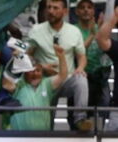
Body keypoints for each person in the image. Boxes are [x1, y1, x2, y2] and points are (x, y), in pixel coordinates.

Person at [27, 0, 92, 131]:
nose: (51, 11)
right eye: (49, 7)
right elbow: (26, 56)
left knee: (81, 79)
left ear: (65, 11)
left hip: (67, 78)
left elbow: (82, 56)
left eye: (56, 8)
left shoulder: (74, 31)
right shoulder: (36, 30)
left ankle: (80, 119)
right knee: (47, 125)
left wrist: (80, 68)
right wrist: (41, 67)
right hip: (45, 81)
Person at [3, 42, 67, 130]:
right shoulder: (20, 84)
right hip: (19, 138)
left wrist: (61, 56)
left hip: (42, 138)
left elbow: (62, 75)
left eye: (38, 70)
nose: (35, 73)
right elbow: (6, 84)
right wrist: (15, 59)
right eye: (31, 70)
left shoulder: (46, 83)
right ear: (25, 72)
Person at [75, 0, 111, 129]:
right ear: (77, 11)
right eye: (82, 7)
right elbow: (78, 52)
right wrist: (92, 35)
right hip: (82, 77)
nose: (86, 10)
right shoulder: (73, 30)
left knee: (104, 109)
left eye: (89, 7)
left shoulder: (99, 27)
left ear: (93, 11)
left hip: (100, 78)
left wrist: (102, 30)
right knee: (81, 114)